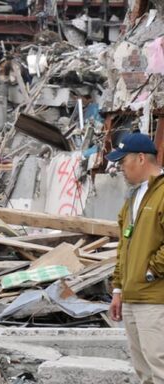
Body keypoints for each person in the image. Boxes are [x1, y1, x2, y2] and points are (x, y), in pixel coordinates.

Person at [107, 132, 164, 383]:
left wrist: (150, 270)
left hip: (155, 298)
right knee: (143, 371)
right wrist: (118, 289)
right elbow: (124, 246)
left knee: (159, 364)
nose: (120, 168)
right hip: (132, 298)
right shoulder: (133, 197)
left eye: (123, 161)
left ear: (141, 158)